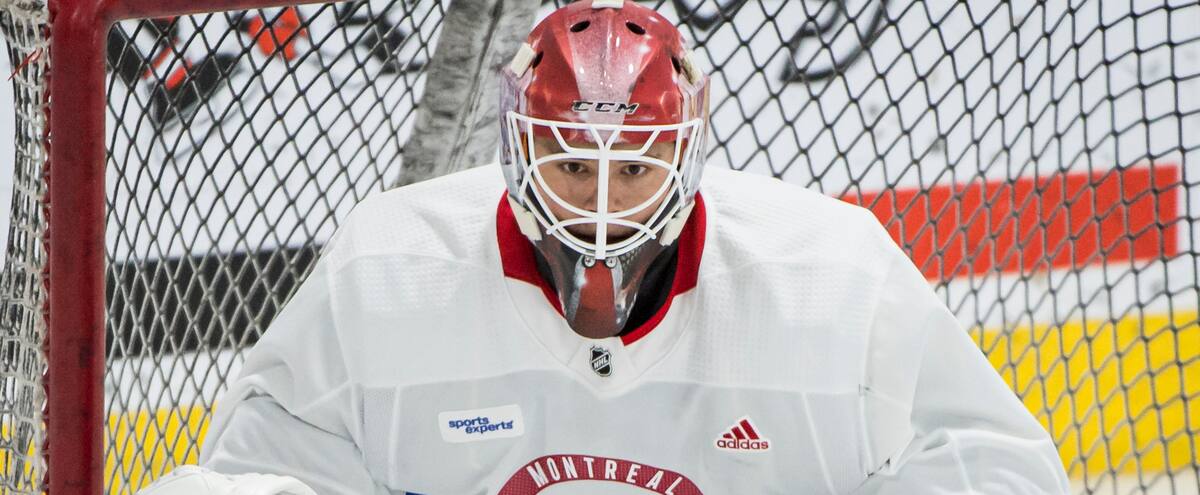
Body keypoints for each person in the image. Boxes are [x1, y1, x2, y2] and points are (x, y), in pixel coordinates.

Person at [143, 1, 1069, 493]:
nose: (600, 204)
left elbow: (1001, 469)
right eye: (571, 166)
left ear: (686, 155)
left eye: (630, 169)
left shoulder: (828, 280)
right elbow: (264, 471)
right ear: (517, 150)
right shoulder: (388, 272)